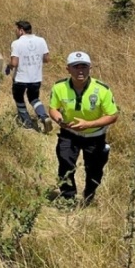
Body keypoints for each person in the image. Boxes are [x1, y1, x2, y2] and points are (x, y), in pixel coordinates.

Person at [48, 51, 119, 206]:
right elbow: (53, 108)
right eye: (76, 67)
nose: (80, 70)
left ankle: (89, 193)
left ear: (90, 68)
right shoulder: (59, 87)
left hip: (94, 136)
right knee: (65, 163)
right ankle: (68, 197)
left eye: (84, 67)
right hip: (69, 133)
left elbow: (113, 115)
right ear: (68, 69)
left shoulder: (102, 89)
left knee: (94, 169)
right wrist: (58, 119)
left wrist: (88, 125)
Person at [9, 20, 51, 132]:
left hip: (21, 78)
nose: (15, 32)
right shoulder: (41, 40)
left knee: (19, 98)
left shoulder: (16, 43)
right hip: (36, 78)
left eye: (16, 30)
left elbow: (14, 63)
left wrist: (9, 66)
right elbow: (47, 59)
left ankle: (27, 123)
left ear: (21, 30)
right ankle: (44, 116)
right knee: (34, 98)